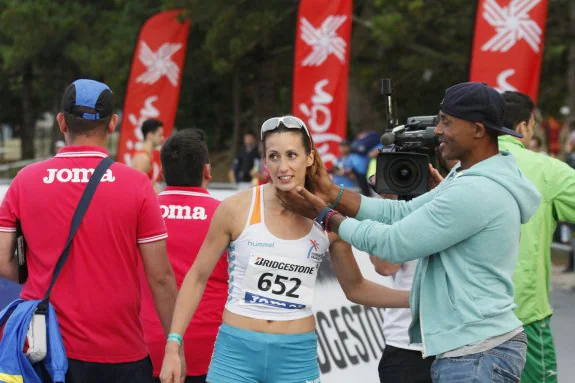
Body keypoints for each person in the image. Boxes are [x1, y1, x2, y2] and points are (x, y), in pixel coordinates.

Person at [278, 83, 542, 382]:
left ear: (478, 130)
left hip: (475, 355)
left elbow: (393, 244)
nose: (438, 131)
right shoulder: (469, 175)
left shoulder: (475, 189)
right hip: (472, 350)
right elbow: (400, 213)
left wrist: (324, 215)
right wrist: (331, 192)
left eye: (446, 122)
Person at [159, 115, 411, 383]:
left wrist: (416, 298)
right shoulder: (235, 208)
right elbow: (197, 277)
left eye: (292, 155)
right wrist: (173, 344)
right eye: (274, 156)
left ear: (309, 158)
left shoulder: (329, 217)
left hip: (295, 357)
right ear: (264, 161)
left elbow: (356, 288)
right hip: (236, 355)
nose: (283, 167)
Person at [0, 79, 180, 382]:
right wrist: (175, 345)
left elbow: (4, 263)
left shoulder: (24, 180)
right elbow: (160, 277)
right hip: (119, 352)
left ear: (61, 122)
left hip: (44, 348)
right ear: (112, 123)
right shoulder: (136, 184)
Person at [140, 128, 229, 383]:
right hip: (213, 350)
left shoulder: (141, 213)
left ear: (163, 172)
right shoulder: (226, 215)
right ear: (207, 171)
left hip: (149, 347)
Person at [499, 90, 575, 383]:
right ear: (522, 127)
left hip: (467, 317)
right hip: (523, 313)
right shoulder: (547, 169)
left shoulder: (459, 168)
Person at [132, 118, 165, 189]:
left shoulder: (148, 156)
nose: (162, 138)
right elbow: (136, 187)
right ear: (150, 135)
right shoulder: (143, 158)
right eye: (160, 135)